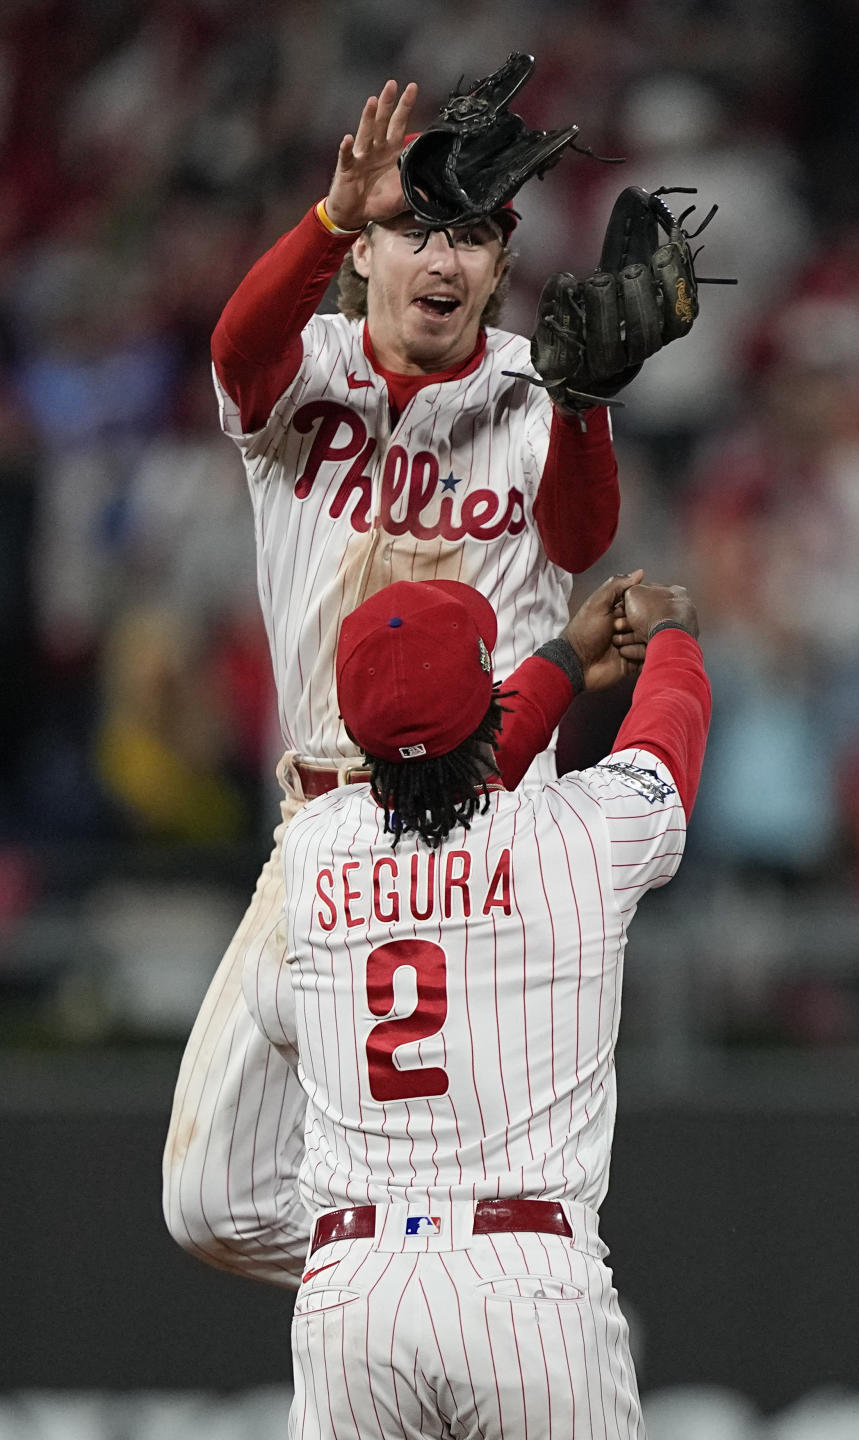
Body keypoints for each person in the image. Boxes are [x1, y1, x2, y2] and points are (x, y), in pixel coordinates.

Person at [163, 77, 626, 1283]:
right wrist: (320, 221)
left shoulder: (537, 388)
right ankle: (446, 1282)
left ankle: (495, 1301)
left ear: (502, 260)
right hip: (321, 823)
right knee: (209, 1202)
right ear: (365, 251)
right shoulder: (301, 371)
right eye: (416, 228)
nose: (444, 257)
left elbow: (579, 545)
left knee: (479, 1160)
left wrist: (585, 411)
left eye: (472, 234)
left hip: (487, 827)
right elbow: (234, 349)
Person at [269, 571, 709, 1439]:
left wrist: (557, 667)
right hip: (527, 1282)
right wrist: (674, 643)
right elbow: (664, 750)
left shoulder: (312, 850)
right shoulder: (576, 835)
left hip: (351, 1300)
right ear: (486, 705)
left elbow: (434, 772)